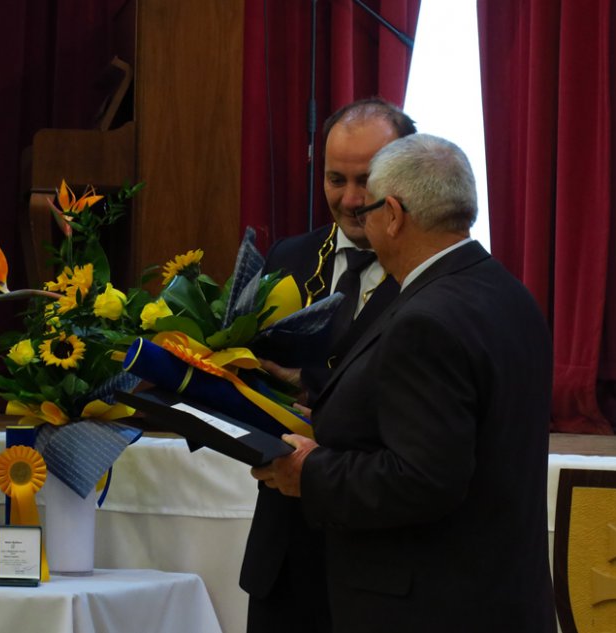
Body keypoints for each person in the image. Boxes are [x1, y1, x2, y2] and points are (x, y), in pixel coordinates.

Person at [252, 134, 557, 632]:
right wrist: (326, 422)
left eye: (369, 208)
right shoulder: (507, 292)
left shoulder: (426, 320)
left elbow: (423, 479)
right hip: (498, 593)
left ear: (392, 214)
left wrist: (309, 472)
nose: (362, 221)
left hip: (427, 605)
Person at [239, 98, 416, 633]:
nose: (352, 199)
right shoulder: (288, 257)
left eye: (368, 180)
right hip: (285, 559)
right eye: (336, 179)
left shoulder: (431, 272)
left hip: (380, 558)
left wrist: (308, 384)